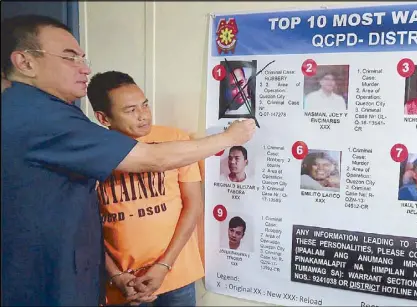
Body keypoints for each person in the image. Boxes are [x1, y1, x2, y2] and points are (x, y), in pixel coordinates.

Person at [1, 15, 255, 306]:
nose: (84, 69)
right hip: (50, 283)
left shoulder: (45, 113)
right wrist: (229, 137)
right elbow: (154, 158)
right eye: (70, 58)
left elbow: (191, 203)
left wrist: (164, 265)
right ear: (25, 62)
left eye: (84, 58)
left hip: (139, 277)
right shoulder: (39, 116)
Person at [86, 71, 205, 306]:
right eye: (131, 111)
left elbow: (193, 204)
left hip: (176, 273)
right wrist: (116, 275)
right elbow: (85, 225)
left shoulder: (175, 140)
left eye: (145, 105)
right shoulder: (90, 152)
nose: (143, 116)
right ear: (104, 118)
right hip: (123, 283)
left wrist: (164, 265)